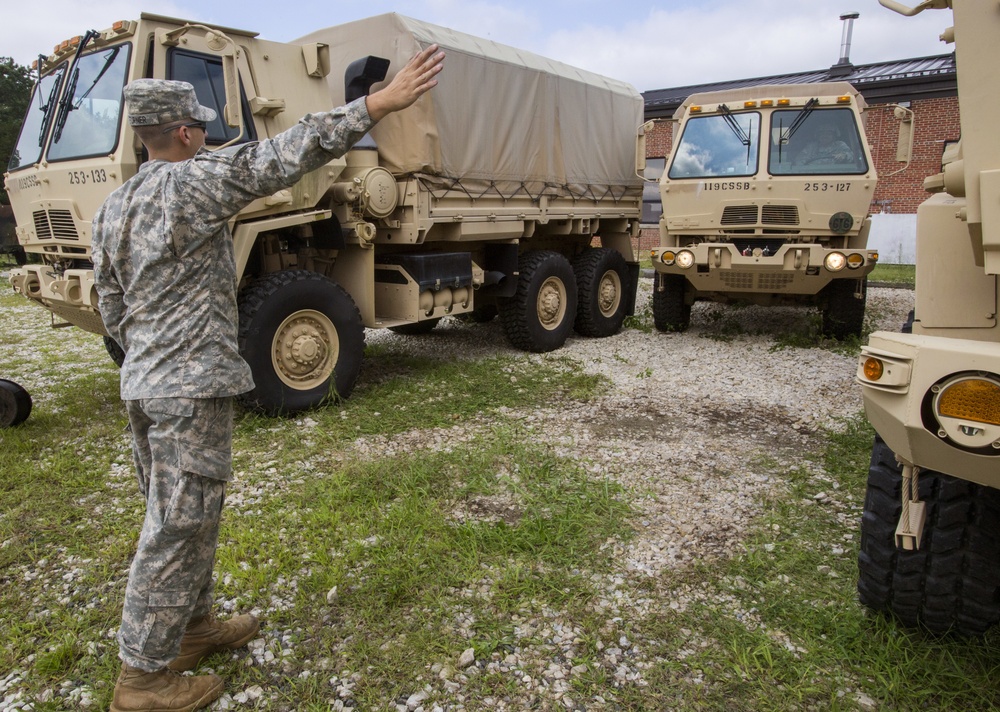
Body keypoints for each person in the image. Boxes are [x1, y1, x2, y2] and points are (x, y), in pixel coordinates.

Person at [92, 44, 445, 712]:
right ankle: (142, 679)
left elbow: (110, 307)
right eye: (201, 128)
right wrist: (378, 103)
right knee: (175, 525)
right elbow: (292, 150)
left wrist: (143, 356)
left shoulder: (114, 206)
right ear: (188, 133)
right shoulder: (198, 180)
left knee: (186, 517)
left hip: (144, 383)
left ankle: (192, 628)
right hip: (188, 390)